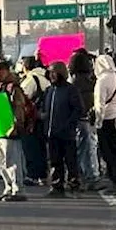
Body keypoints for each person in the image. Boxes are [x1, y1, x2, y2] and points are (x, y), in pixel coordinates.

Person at [0, 59, 32, 202]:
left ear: (7, 70)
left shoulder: (12, 87)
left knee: (12, 161)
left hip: (10, 129)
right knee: (2, 161)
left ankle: (18, 189)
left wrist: (15, 126)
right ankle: (9, 188)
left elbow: (18, 108)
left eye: (1, 69)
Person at [42, 61, 84, 198]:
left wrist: (68, 125)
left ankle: (74, 186)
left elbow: (78, 109)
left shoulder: (70, 90)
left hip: (67, 133)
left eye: (54, 73)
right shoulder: (49, 90)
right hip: (51, 132)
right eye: (50, 73)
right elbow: (44, 108)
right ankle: (56, 186)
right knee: (54, 161)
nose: (52, 75)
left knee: (71, 161)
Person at [93, 54, 116, 191]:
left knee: (107, 152)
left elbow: (99, 104)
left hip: (106, 120)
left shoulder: (102, 81)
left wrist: (98, 122)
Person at [67, 49, 100, 190]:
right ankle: (90, 176)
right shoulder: (92, 82)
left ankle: (79, 176)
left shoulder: (72, 84)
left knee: (79, 150)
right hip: (89, 118)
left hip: (76, 120)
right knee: (89, 149)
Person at [19, 57, 51, 187]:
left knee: (30, 147)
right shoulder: (46, 77)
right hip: (44, 117)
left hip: (32, 119)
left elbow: (21, 97)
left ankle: (32, 175)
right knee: (42, 147)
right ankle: (43, 174)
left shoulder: (31, 79)